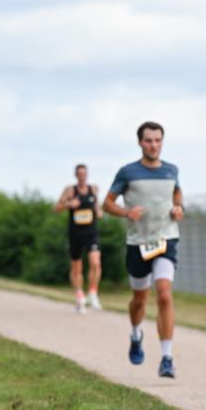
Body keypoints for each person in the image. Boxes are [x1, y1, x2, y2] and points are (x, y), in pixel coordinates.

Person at [103, 121, 183, 378]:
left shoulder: (171, 170)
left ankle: (167, 358)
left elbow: (177, 194)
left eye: (158, 140)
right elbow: (107, 204)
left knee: (164, 295)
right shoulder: (127, 172)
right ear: (140, 142)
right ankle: (136, 334)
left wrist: (178, 208)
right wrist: (126, 212)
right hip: (138, 243)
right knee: (139, 299)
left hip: (166, 239)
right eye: (149, 140)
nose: (153, 145)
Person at [54, 164, 103, 314]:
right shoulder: (70, 190)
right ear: (76, 175)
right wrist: (69, 204)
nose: (82, 176)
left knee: (95, 262)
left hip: (91, 233)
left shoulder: (93, 189)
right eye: (79, 174)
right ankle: (79, 295)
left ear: (87, 175)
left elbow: (98, 209)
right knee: (77, 267)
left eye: (84, 174)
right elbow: (56, 208)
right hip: (75, 234)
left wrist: (99, 211)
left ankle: (93, 293)